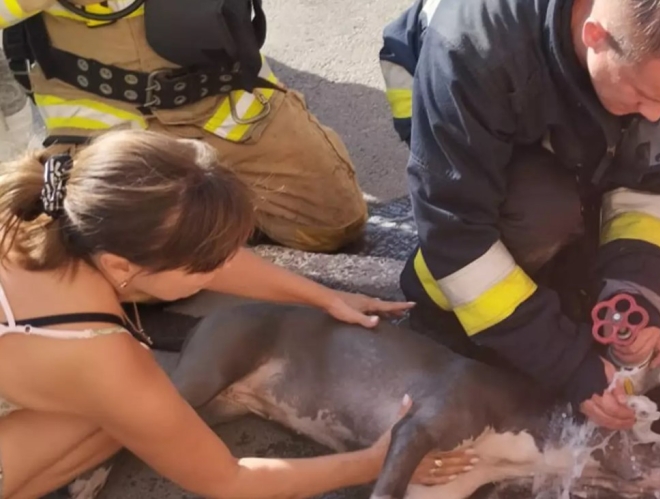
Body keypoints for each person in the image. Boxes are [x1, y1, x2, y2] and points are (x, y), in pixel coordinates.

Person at [0, 129, 476, 498]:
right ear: (121, 265)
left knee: (131, 408)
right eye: (205, 264)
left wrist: (321, 295)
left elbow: (193, 245)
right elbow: (228, 480)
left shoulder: (36, 204)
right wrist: (373, 461)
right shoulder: (102, 359)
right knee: (132, 414)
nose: (221, 265)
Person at [377, 0, 660, 429]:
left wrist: (635, 297)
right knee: (539, 213)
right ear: (595, 36)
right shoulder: (471, 51)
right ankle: (431, 291)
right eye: (643, 95)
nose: (656, 115)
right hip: (437, 79)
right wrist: (569, 367)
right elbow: (456, 233)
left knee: (583, 238)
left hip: (546, 82)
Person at [1, 0, 368, 253]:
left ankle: (209, 215)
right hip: (116, 132)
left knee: (335, 225)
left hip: (229, 108)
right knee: (136, 276)